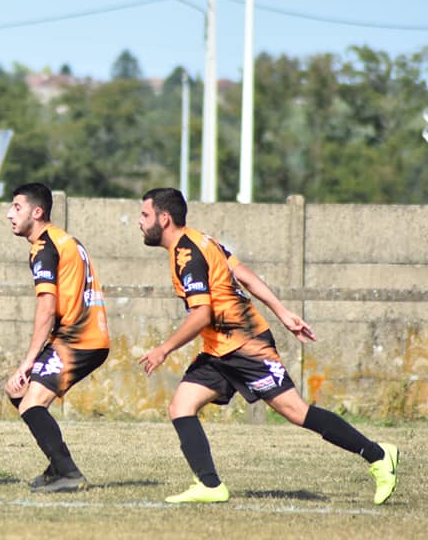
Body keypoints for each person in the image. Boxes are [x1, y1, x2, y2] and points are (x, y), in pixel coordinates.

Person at [137, 187, 398, 505]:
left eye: (145, 215)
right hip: (219, 350)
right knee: (181, 407)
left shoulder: (187, 255)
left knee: (296, 412)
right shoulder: (201, 240)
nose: (140, 222)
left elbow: (202, 313)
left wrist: (164, 348)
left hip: (247, 346)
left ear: (164, 219)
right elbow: (244, 275)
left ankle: (378, 455)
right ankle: (210, 486)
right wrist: (283, 312)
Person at [4, 183, 111, 493]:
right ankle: (57, 467)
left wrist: (28, 361)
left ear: (37, 213)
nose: (10, 214)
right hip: (86, 336)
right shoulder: (67, 240)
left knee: (29, 402)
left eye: (17, 207)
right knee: (17, 392)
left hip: (78, 340)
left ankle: (69, 474)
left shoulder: (43, 247)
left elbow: (47, 308)